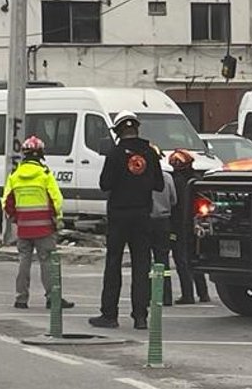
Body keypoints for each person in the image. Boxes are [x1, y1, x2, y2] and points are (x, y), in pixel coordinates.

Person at [90, 111, 163, 330]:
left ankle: (109, 315)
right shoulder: (150, 153)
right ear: (136, 129)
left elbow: (105, 184)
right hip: (142, 215)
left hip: (119, 216)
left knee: (113, 264)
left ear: (119, 131)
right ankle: (140, 316)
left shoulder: (115, 153)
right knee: (142, 266)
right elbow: (159, 184)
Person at [1, 136, 75, 311]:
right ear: (41, 154)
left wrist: (16, 218)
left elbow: (6, 202)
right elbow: (57, 200)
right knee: (47, 261)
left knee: (23, 262)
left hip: (24, 229)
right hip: (44, 228)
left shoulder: (15, 176)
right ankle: (52, 298)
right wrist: (57, 219)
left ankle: (21, 299)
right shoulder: (45, 175)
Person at [168, 150, 209, 304]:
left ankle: (188, 294)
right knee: (194, 257)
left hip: (179, 225)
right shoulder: (198, 180)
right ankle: (203, 293)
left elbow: (173, 203)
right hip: (197, 223)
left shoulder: (175, 181)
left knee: (181, 259)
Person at [149, 162, 177, 306]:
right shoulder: (167, 178)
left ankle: (147, 295)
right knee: (163, 260)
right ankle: (166, 296)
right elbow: (174, 200)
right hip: (164, 221)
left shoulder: (143, 177)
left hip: (147, 221)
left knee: (144, 260)